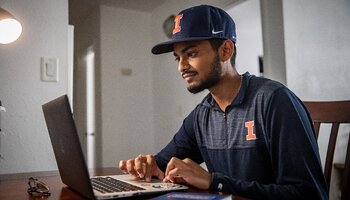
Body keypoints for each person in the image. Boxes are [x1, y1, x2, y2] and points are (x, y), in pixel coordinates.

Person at [119, 4, 328, 199]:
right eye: (177, 57)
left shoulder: (274, 101)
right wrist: (146, 165)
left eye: (191, 53)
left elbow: (309, 194)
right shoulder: (202, 115)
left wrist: (214, 182)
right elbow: (163, 164)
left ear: (225, 50)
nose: (181, 67)